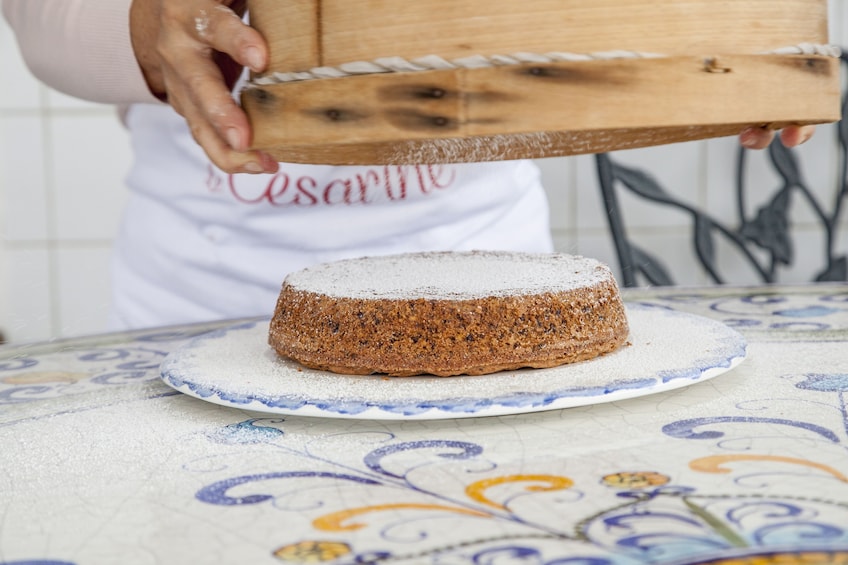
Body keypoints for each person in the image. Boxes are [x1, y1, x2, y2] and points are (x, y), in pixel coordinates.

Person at [2, 0, 816, 330]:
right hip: (200, 304)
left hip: (492, 286)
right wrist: (136, 25)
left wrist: (737, 47)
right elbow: (38, 16)